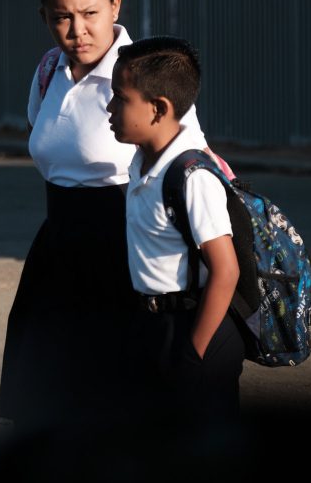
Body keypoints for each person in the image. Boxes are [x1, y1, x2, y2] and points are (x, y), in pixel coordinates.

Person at [0, 0, 208, 427]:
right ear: (44, 18)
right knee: (50, 408)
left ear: (115, 7)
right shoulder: (49, 70)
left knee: (119, 409)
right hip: (57, 253)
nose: (78, 31)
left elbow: (191, 164)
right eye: (62, 17)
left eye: (90, 14)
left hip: (126, 257)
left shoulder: (145, 77)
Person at [107, 37, 245, 420]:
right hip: (155, 326)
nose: (109, 108)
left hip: (196, 330)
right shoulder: (141, 162)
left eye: (120, 98)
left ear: (158, 109)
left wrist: (192, 354)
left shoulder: (191, 176)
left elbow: (225, 270)